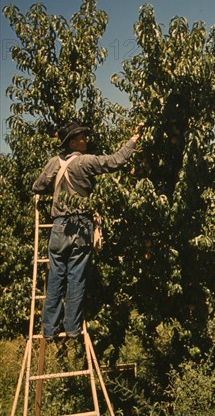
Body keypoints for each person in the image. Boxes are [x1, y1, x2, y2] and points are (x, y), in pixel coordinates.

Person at [32, 120, 143, 341]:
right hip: (81, 225)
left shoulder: (54, 163)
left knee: (55, 277)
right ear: (72, 142)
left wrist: (57, 193)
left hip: (59, 226)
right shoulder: (86, 162)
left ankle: (49, 330)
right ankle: (72, 329)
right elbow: (115, 161)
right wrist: (133, 140)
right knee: (76, 279)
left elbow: (38, 187)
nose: (85, 140)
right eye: (81, 137)